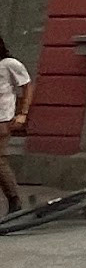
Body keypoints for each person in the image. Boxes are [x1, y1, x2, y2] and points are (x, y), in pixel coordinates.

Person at [0, 35, 34, 213]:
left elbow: (27, 86)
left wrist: (23, 114)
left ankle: (14, 200)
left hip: (3, 120)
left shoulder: (9, 64)